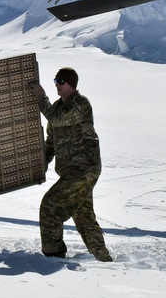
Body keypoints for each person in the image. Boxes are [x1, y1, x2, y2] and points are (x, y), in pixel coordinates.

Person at [28, 67, 113, 262]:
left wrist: (41, 98)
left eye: (60, 81)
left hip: (84, 170)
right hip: (71, 172)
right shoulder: (57, 107)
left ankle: (53, 257)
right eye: (55, 81)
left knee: (50, 206)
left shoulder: (80, 104)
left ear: (70, 84)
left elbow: (57, 120)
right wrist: (40, 165)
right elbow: (51, 142)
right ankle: (103, 259)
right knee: (83, 216)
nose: (56, 85)